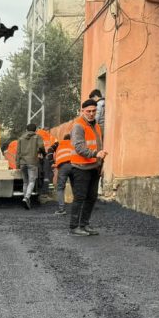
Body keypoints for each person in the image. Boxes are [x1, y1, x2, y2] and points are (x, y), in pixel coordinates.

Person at [67, 99, 107, 236]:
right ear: (82, 111)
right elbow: (79, 147)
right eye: (88, 111)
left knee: (91, 197)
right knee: (80, 197)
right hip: (80, 167)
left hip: (94, 167)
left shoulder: (96, 126)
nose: (91, 114)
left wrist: (100, 163)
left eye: (94, 111)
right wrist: (96, 154)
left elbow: (99, 145)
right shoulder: (78, 125)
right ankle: (74, 227)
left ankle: (84, 224)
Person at [16, 123, 43, 209]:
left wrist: (17, 164)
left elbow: (18, 152)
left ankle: (26, 200)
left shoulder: (20, 138)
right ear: (35, 130)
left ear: (26, 130)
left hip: (22, 163)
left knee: (25, 182)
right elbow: (41, 147)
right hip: (32, 162)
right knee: (32, 181)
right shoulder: (37, 137)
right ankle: (26, 198)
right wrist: (43, 154)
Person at [53, 133, 72, 215]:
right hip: (74, 164)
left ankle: (61, 209)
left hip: (63, 166)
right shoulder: (74, 143)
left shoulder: (60, 144)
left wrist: (52, 163)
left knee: (60, 188)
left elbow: (52, 152)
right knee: (76, 187)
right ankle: (79, 208)